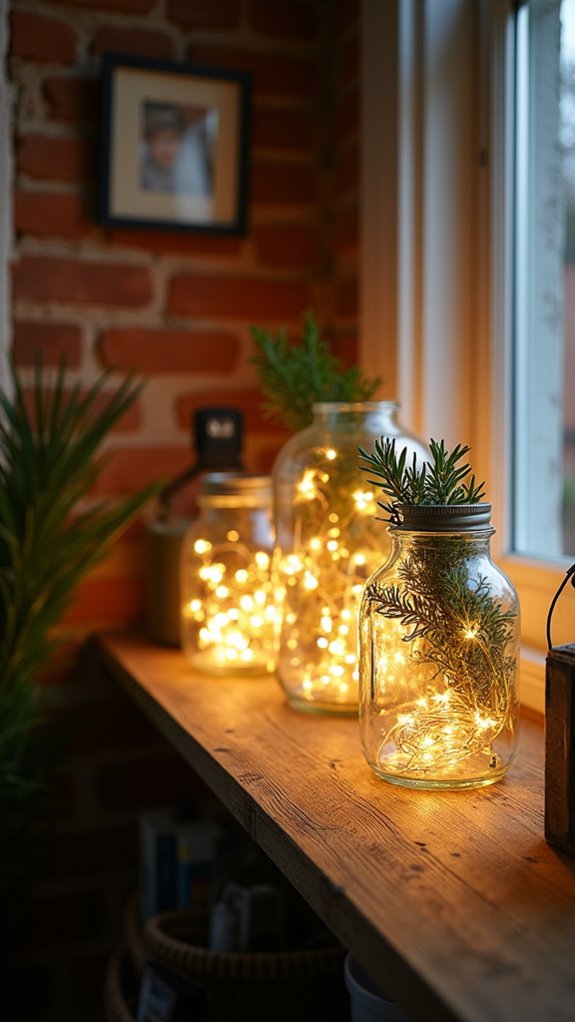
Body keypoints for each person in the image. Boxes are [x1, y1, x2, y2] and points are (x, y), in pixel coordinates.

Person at [140, 102, 213, 196]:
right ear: (147, 143)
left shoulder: (190, 171)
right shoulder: (141, 171)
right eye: (158, 140)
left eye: (172, 139)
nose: (166, 148)